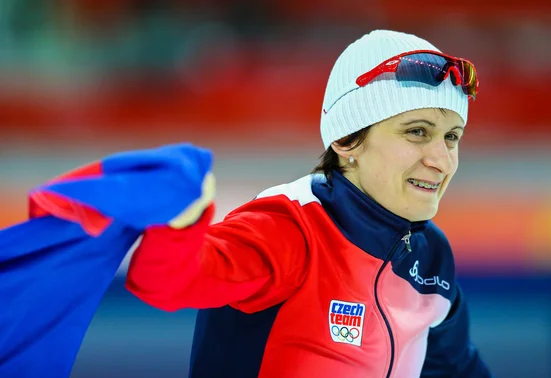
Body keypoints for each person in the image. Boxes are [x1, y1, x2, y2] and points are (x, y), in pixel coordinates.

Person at [125, 29, 492, 377]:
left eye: (451, 137)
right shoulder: (287, 229)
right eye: (417, 132)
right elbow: (163, 282)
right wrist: (178, 226)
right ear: (348, 140)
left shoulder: (430, 258)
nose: (442, 161)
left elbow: (456, 370)